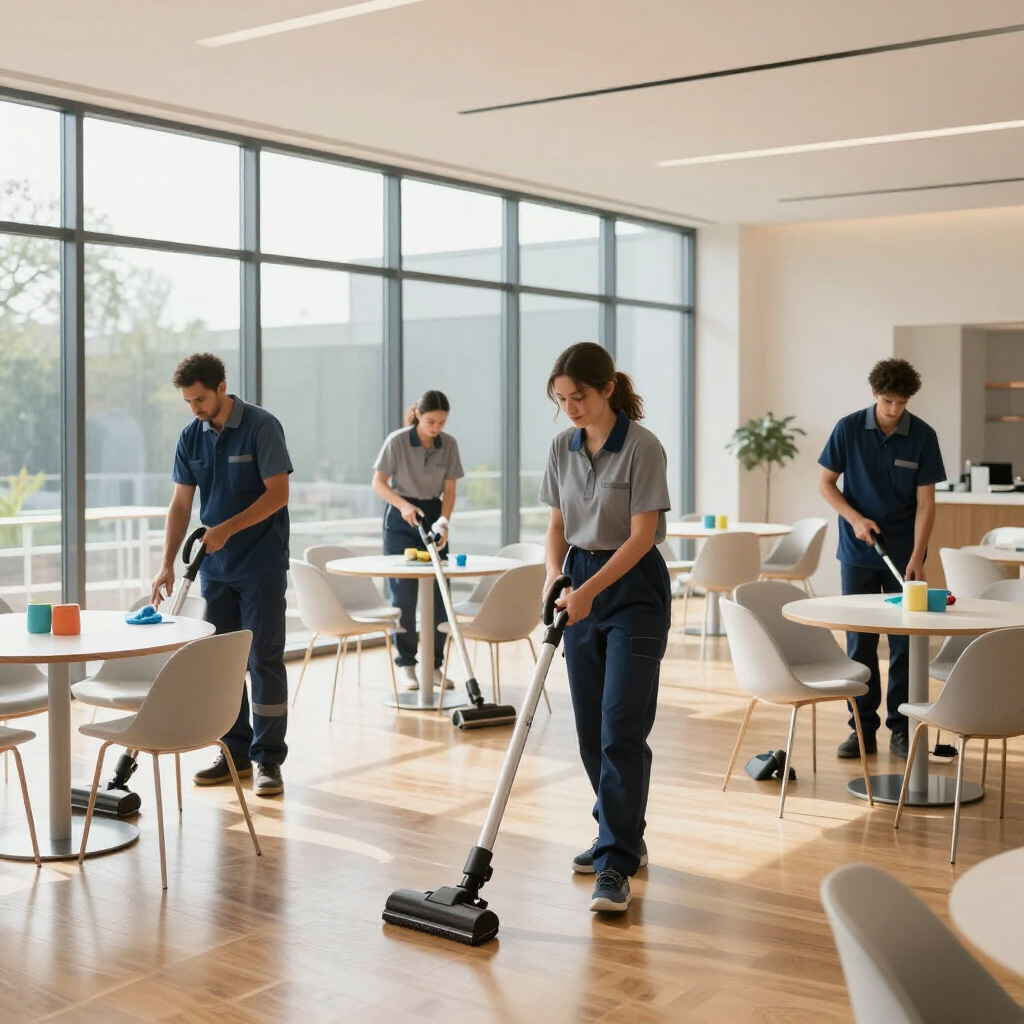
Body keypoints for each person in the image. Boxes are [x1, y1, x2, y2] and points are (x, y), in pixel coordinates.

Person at [539, 342, 672, 914]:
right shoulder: (560, 447)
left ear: (607, 389)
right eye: (561, 400)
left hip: (633, 585)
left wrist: (589, 592)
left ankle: (615, 858)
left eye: (580, 397)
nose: (571, 408)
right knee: (590, 729)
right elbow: (557, 524)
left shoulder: (643, 446)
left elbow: (642, 536)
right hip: (581, 578)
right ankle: (619, 831)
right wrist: (555, 578)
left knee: (621, 724)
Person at [152, 353, 293, 797]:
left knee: (263, 660)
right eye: (188, 401)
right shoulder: (190, 437)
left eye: (200, 399)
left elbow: (279, 495)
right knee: (224, 665)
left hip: (261, 565)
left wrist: (227, 529)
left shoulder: (260, 426)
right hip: (214, 569)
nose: (194, 407)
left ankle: (268, 758)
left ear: (221, 388)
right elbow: (180, 504)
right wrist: (167, 562)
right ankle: (233, 751)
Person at [818, 357, 946, 762]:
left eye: (901, 402)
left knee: (906, 643)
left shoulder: (923, 436)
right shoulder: (849, 428)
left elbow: (927, 504)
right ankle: (861, 730)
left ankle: (902, 729)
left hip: (906, 555)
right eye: (889, 400)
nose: (894, 409)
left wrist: (918, 556)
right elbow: (825, 483)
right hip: (859, 549)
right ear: (876, 394)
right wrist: (854, 518)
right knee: (860, 644)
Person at [372, 390, 464, 691]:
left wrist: (444, 521)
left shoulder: (448, 445)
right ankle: (407, 665)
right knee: (404, 596)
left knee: (440, 593)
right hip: (401, 518)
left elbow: (449, 491)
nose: (436, 428)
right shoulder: (397, 441)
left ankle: (434, 666)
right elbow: (378, 483)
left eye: (442, 422)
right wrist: (403, 505)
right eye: (430, 421)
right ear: (418, 415)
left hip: (433, 515)